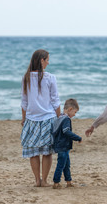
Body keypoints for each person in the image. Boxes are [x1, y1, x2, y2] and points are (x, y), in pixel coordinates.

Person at [20, 49, 61, 187]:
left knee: (33, 152)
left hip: (31, 119)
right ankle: (44, 181)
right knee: (47, 152)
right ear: (42, 60)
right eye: (47, 60)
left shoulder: (26, 77)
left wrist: (23, 119)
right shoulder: (50, 78)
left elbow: (24, 102)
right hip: (48, 118)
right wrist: (59, 118)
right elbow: (55, 100)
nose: (48, 63)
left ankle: (37, 181)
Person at [51, 99, 82, 189]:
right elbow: (66, 131)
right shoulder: (66, 119)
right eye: (75, 112)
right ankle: (56, 182)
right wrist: (77, 138)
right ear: (70, 109)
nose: (75, 114)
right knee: (61, 164)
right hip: (63, 146)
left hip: (61, 145)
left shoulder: (59, 117)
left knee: (66, 164)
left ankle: (69, 182)